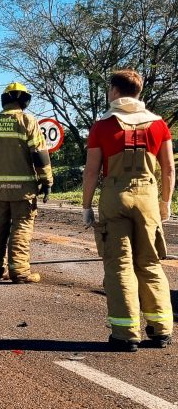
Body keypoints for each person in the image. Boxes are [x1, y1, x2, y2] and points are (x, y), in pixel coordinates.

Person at [82, 69, 173, 352]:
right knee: (150, 263)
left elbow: (91, 172)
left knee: (119, 264)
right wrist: (165, 202)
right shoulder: (159, 124)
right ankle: (161, 330)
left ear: (114, 91)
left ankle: (125, 333)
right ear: (139, 92)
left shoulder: (103, 125)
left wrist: (86, 206)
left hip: (114, 196)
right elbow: (168, 169)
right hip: (147, 198)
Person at [0, 82, 53, 283]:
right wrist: (47, 180)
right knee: (22, 226)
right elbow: (39, 155)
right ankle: (20, 272)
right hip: (22, 190)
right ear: (24, 100)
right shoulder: (28, 121)